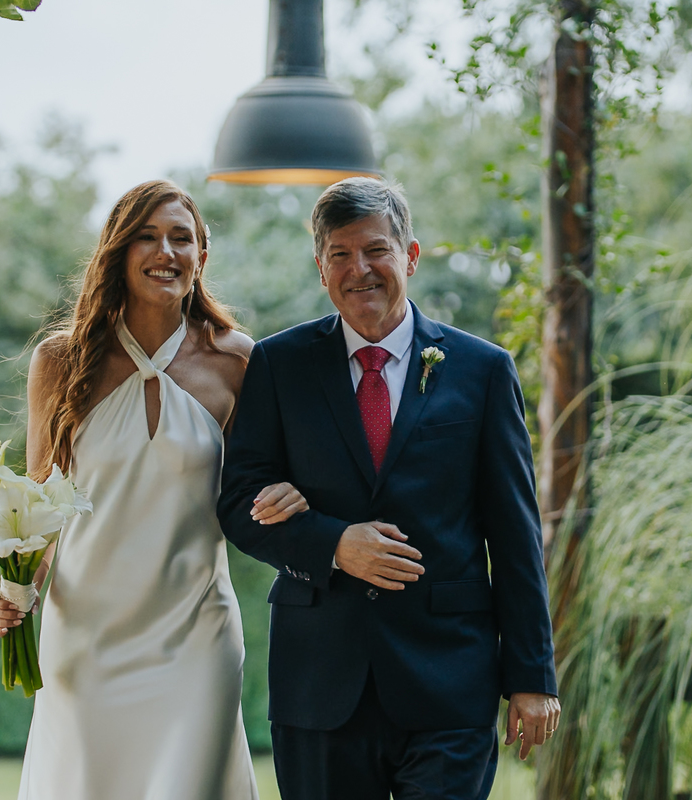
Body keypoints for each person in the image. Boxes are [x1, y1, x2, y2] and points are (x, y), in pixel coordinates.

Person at [217, 177, 561, 800]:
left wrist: (532, 675)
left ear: (411, 256)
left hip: (449, 681)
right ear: (320, 268)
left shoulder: (483, 371)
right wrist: (332, 544)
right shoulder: (278, 364)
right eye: (341, 255)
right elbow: (239, 504)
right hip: (320, 681)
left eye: (376, 250)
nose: (360, 269)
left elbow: (515, 533)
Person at [0, 180, 306, 800]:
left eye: (180, 238)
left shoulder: (238, 362)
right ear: (118, 251)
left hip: (197, 636)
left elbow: (256, 486)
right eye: (147, 236)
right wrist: (19, 586)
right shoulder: (61, 361)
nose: (165, 251)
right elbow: (39, 505)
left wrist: (287, 494)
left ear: (201, 257)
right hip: (86, 639)